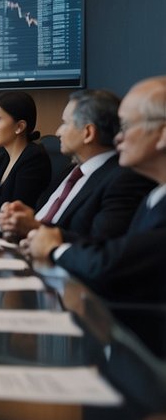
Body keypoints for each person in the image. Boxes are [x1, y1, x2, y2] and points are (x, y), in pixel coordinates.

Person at [28, 76, 166, 302]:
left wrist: (55, 248)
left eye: (127, 126)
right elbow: (117, 251)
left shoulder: (134, 185)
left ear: (162, 133)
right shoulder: (155, 195)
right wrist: (52, 237)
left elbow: (111, 264)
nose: (118, 137)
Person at [0, 89, 153, 241]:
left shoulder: (122, 181)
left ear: (88, 133)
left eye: (65, 123)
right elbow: (45, 218)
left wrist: (34, 228)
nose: (58, 132)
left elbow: (99, 246)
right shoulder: (70, 171)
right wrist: (19, 220)